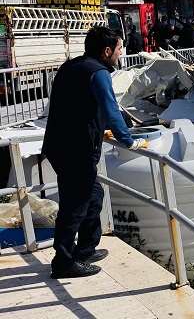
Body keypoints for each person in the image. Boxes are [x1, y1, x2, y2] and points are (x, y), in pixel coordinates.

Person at [42, 27, 148, 279]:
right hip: (76, 149)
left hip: (59, 145)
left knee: (94, 195)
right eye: (120, 49)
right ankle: (63, 262)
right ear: (107, 50)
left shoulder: (72, 66)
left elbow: (76, 106)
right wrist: (128, 141)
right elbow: (111, 110)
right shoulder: (98, 73)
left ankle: (85, 250)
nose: (121, 54)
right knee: (75, 205)